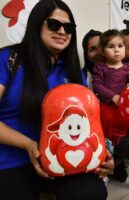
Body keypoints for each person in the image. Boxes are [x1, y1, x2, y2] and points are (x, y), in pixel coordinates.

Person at [0, 0, 113, 199]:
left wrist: (100, 153)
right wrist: (29, 145)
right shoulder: (8, 59)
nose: (62, 31)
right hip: (11, 159)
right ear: (36, 24)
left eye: (68, 27)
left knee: (92, 192)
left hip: (60, 157)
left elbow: (87, 121)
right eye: (54, 24)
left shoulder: (72, 69)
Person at [92, 29, 129, 183]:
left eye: (120, 45)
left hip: (124, 111)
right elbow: (97, 85)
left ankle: (118, 162)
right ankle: (103, 165)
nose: (117, 49)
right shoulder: (100, 67)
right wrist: (113, 97)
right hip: (106, 109)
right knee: (106, 139)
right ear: (103, 51)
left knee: (123, 140)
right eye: (111, 46)